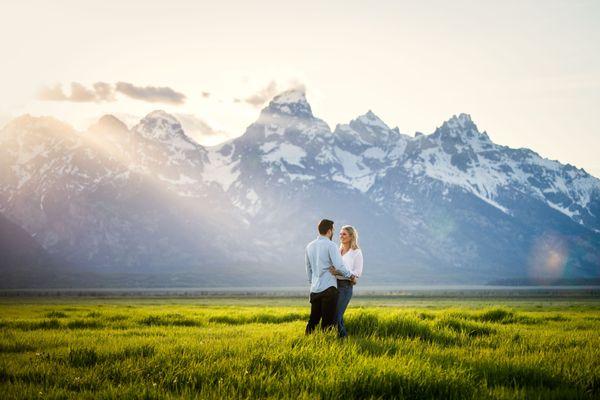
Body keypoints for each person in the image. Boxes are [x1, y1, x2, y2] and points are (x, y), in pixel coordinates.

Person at [305, 219, 355, 334]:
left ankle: (307, 341)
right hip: (329, 288)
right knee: (327, 323)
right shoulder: (331, 245)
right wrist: (350, 275)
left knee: (313, 320)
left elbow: (308, 268)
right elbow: (339, 265)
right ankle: (326, 344)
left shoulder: (309, 246)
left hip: (314, 289)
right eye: (333, 230)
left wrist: (312, 282)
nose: (333, 232)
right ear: (329, 231)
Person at [330, 225, 363, 338]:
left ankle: (343, 339)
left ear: (351, 236)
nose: (341, 236)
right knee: (336, 316)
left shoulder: (356, 252)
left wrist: (339, 272)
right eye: (340, 234)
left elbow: (357, 274)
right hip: (334, 286)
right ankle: (342, 341)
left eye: (344, 234)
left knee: (336, 316)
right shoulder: (338, 250)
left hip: (345, 287)